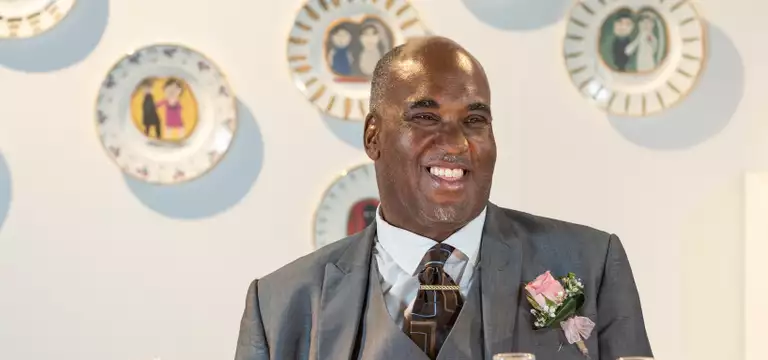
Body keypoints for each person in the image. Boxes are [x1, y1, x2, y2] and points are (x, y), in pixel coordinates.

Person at [233, 36, 653, 360]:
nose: (455, 143)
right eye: (425, 117)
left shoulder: (591, 264)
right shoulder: (280, 306)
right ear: (373, 137)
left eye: (474, 120)